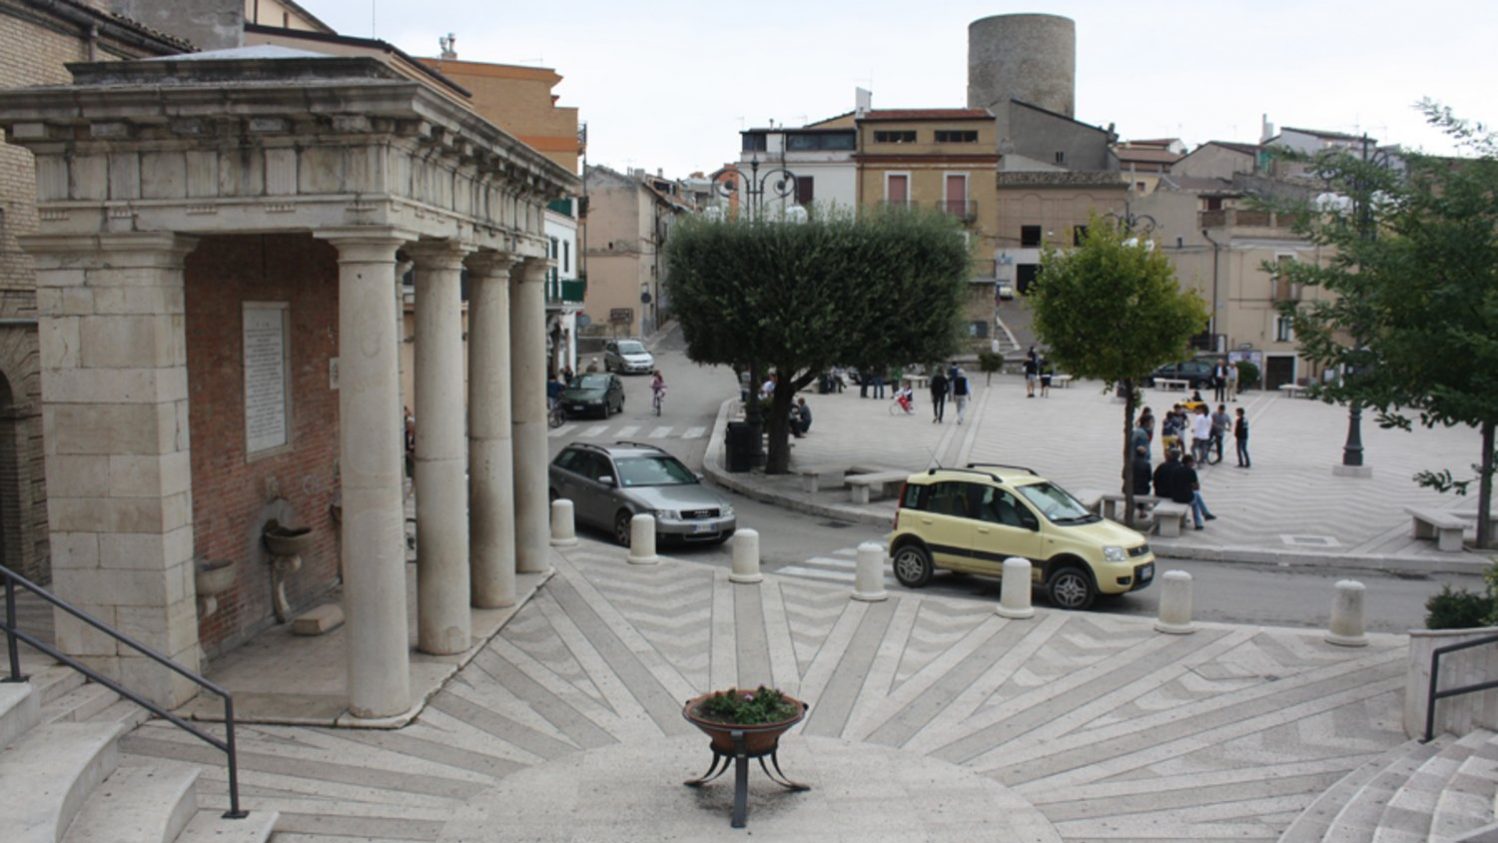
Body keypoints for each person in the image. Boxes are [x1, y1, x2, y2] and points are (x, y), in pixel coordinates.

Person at [1181, 454, 1217, 529]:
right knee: (1196, 496)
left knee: (1195, 497)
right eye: (1193, 462)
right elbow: (1197, 487)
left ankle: (1201, 521)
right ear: (1188, 462)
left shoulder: (1177, 469)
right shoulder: (1191, 471)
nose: (1194, 463)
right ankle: (1203, 517)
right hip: (1183, 497)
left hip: (1175, 495)